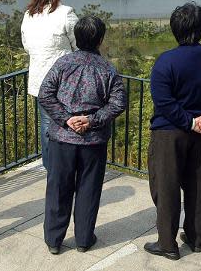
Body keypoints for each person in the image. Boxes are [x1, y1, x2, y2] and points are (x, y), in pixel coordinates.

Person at [145, 2, 201, 261]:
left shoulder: (166, 62)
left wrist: (188, 121)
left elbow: (163, 101)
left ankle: (167, 244)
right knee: (198, 185)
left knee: (166, 185)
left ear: (175, 28)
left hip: (169, 133)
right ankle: (196, 238)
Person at [38, 16, 127, 255]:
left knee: (58, 188)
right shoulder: (107, 69)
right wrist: (91, 120)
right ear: (100, 39)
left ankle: (54, 240)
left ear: (76, 38)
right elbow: (118, 103)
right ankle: (84, 239)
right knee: (89, 189)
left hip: (62, 138)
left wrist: (67, 119)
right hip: (93, 141)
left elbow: (44, 94)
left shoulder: (62, 64)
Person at [20, 0, 78, 172]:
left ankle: (51, 168)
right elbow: (79, 47)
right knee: (67, 125)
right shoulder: (66, 14)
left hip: (39, 82)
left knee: (46, 126)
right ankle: (63, 168)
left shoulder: (29, 15)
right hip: (64, 84)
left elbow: (27, 46)